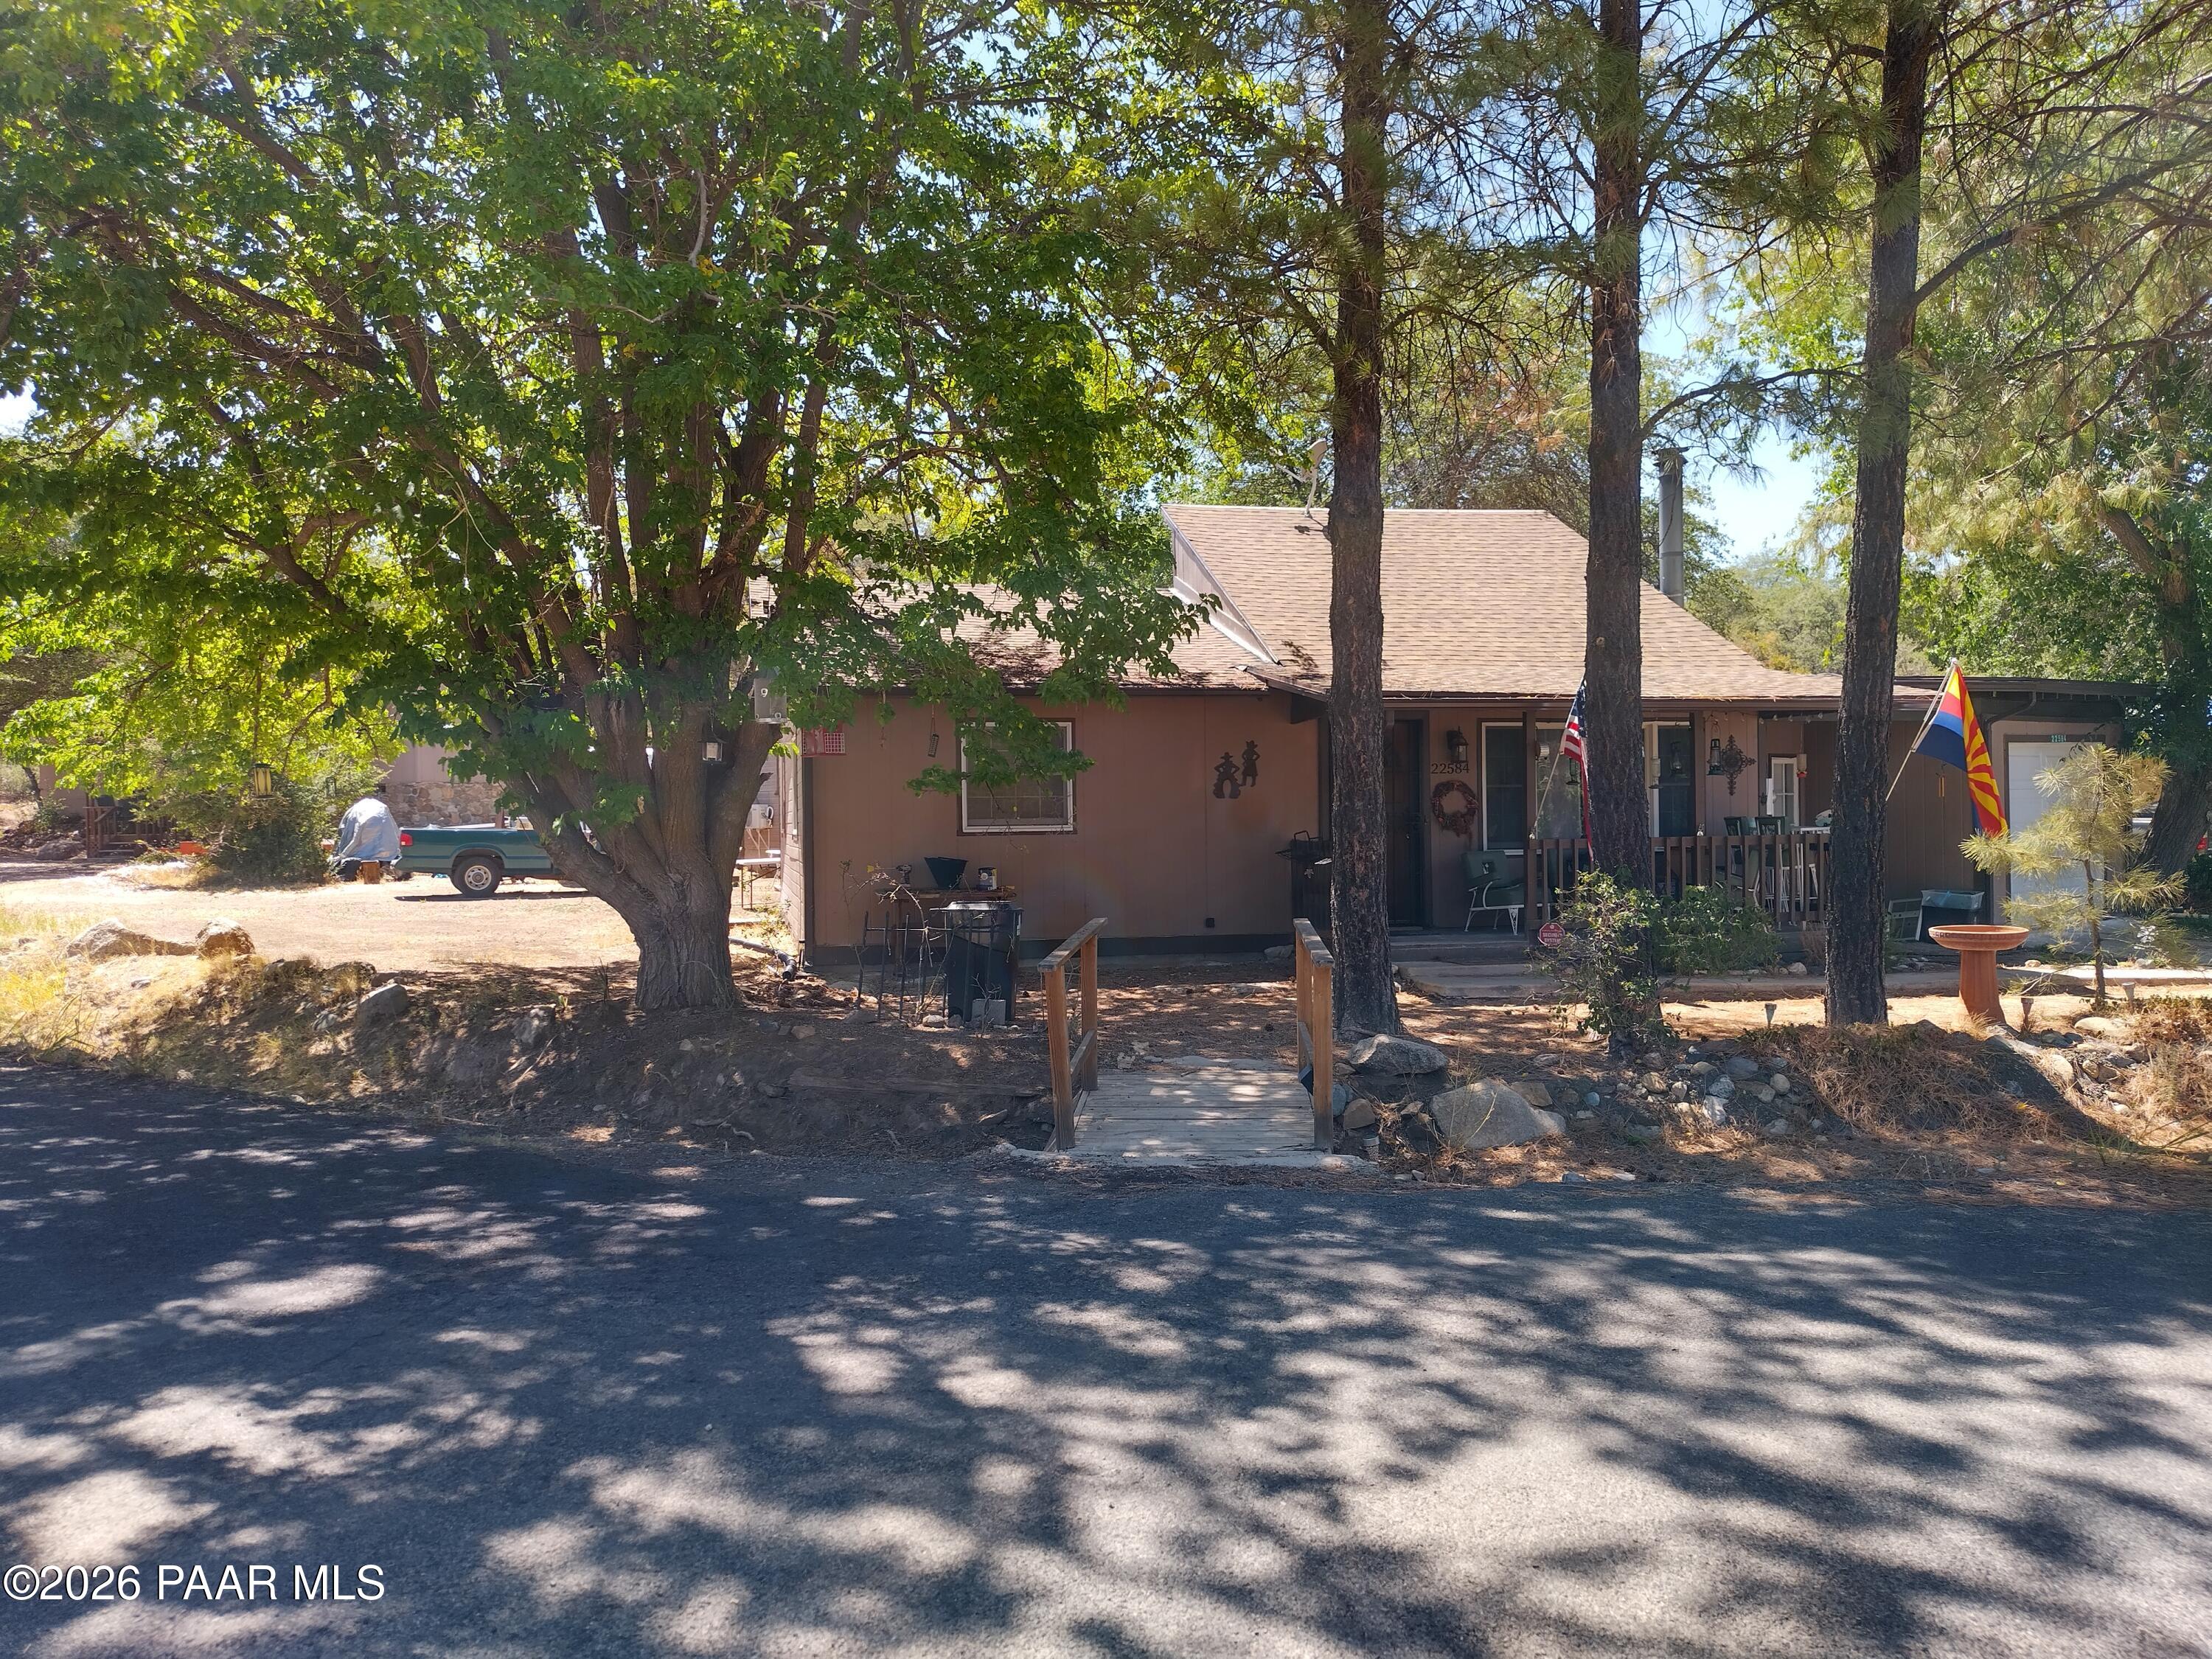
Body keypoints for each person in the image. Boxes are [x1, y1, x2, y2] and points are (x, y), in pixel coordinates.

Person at [331, 785, 402, 878]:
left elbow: (351, 836)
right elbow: (395, 832)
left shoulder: (358, 812)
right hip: (388, 851)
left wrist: (343, 854)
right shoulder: (380, 810)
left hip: (361, 853)